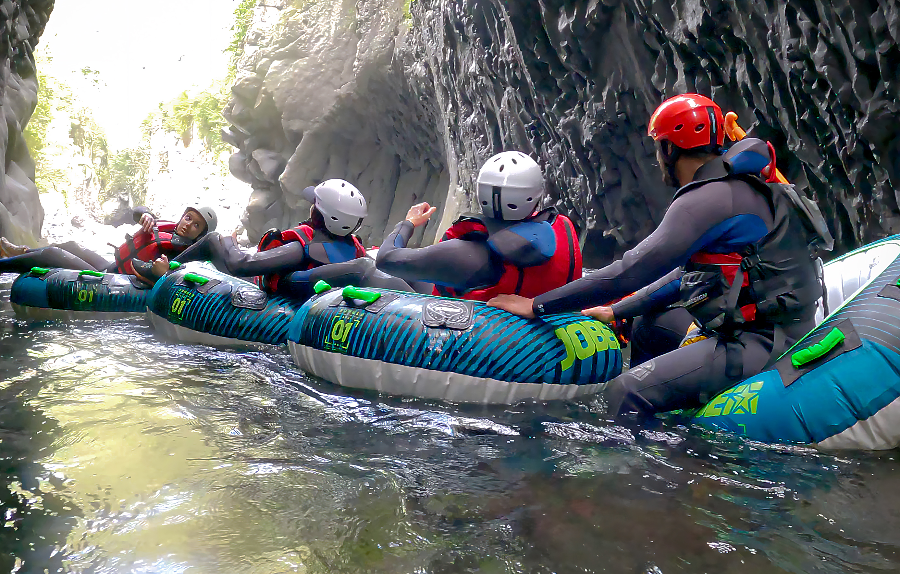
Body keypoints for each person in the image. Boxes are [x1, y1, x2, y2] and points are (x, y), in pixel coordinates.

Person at [487, 93, 830, 416]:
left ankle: (656, 467)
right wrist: (617, 310)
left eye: (658, 148)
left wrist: (537, 305)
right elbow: (686, 273)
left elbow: (631, 271)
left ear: (669, 149)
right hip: (776, 327)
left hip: (763, 343)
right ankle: (675, 405)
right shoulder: (742, 185)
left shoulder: (705, 200)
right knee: (648, 327)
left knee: (625, 391)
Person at [375, 151, 582, 300]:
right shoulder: (561, 228)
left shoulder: (465, 252)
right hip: (544, 331)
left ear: (480, 194)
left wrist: (408, 223)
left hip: (478, 342)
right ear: (536, 197)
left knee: (369, 270)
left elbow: (386, 258)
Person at [151, 179, 414, 297]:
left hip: (249, 281)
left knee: (213, 240)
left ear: (318, 212)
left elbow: (239, 264)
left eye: (314, 203)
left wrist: (230, 240)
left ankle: (164, 270)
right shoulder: (353, 248)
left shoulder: (301, 247)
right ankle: (169, 267)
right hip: (297, 280)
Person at [0, 205, 217, 284]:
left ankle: (3, 265)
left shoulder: (187, 256)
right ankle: (24, 252)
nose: (188, 225)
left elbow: (174, 279)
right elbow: (137, 210)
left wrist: (163, 273)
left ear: (200, 236)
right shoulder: (165, 227)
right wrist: (146, 214)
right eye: (188, 218)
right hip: (111, 266)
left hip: (116, 279)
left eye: (196, 225)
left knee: (54, 254)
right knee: (73, 245)